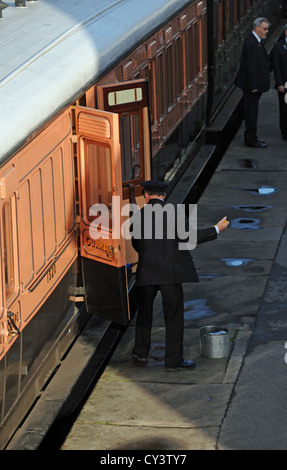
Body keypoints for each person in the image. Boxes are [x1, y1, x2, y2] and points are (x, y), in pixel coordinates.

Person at [131, 180, 229, 372]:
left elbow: (136, 244)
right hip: (170, 274)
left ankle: (140, 352)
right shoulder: (173, 213)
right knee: (174, 317)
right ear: (164, 196)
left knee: (144, 314)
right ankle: (173, 361)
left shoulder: (138, 216)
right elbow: (190, 237)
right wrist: (217, 229)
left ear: (146, 196)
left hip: (147, 273)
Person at [235, 17, 271, 148]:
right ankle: (251, 139)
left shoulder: (255, 41)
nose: (267, 31)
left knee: (252, 111)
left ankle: (253, 137)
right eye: (265, 29)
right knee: (251, 112)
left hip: (254, 86)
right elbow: (250, 67)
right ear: (257, 28)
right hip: (252, 87)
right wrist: (254, 86)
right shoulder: (251, 43)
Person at [271, 25, 287, 140]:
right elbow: (276, 67)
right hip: (284, 84)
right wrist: (279, 83)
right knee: (284, 109)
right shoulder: (279, 46)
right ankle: (285, 132)